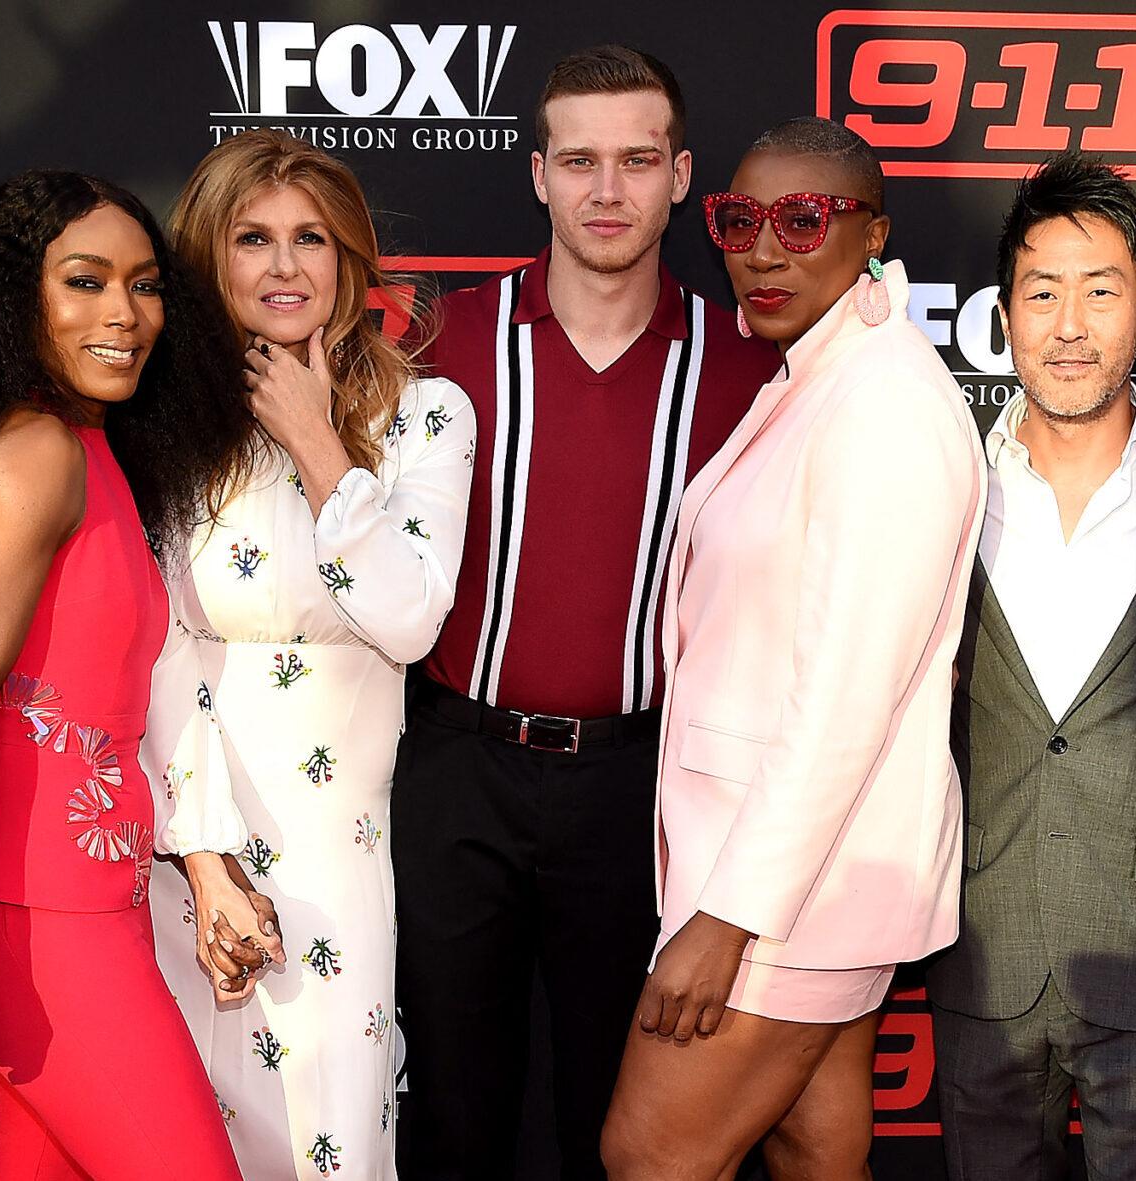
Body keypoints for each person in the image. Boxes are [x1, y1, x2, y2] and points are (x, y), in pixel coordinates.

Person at [395, 45, 782, 1180]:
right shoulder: (438, 341)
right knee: (453, 1110)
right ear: (537, 176)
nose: (606, 189)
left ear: (680, 176)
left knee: (611, 1119)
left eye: (635, 159)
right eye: (579, 161)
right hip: (455, 766)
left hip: (639, 787)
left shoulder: (743, 364)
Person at [600, 116, 983, 1180]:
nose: (764, 248)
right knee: (816, 1150)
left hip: (785, 898)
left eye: (803, 218)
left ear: (872, 233)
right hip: (800, 879)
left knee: (648, 1156)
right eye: (738, 220)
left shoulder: (886, 404)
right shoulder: (818, 375)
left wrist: (729, 915)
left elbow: (845, 695)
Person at [0, 170, 259, 1177]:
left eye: (143, 284)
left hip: (89, 902)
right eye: (84, 281)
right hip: (40, 928)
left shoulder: (91, 441)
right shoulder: (34, 452)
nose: (123, 314)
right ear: (15, 301)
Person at [137, 129, 477, 1181]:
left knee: (329, 1140)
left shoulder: (425, 415)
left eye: (311, 239)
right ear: (209, 257)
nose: (285, 266)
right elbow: (155, 645)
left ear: (349, 262)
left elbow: (411, 617)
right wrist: (204, 853)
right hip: (193, 851)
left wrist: (320, 439)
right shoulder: (160, 430)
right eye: (253, 238)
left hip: (336, 863)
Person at [926, 151, 1136, 1181]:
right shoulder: (945, 481)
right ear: (1005, 312)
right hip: (982, 949)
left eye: (1099, 291)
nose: (1069, 325)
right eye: (1042, 291)